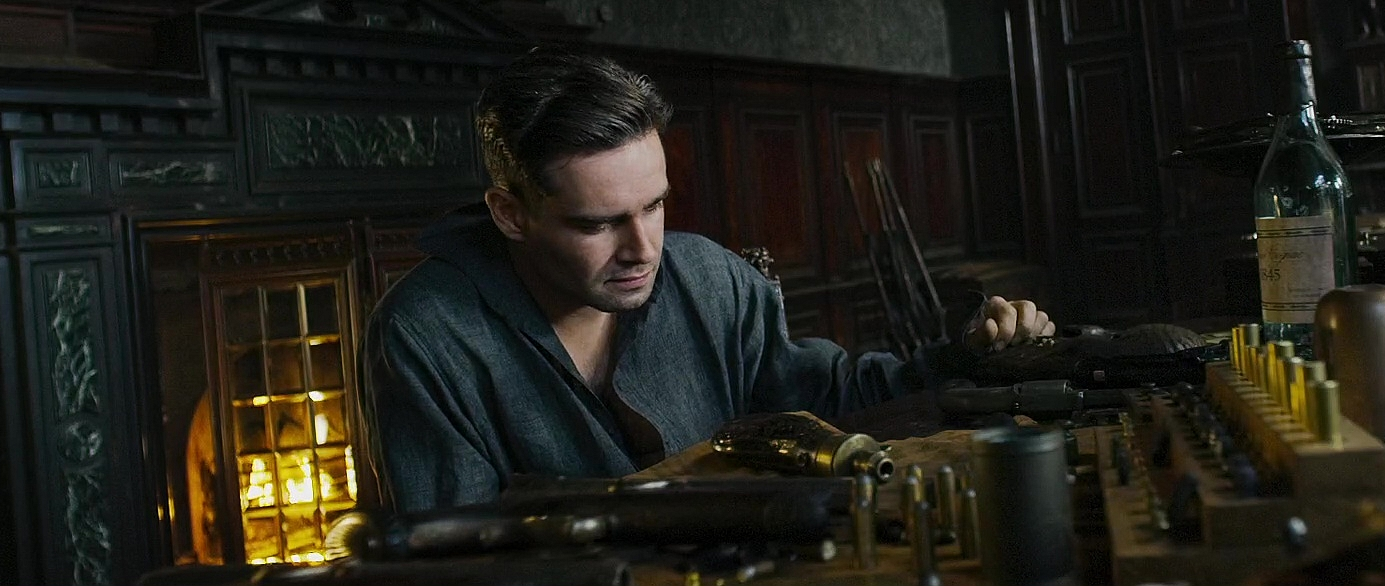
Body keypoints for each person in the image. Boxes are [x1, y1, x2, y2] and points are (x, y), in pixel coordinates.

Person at [361, 48, 1054, 512]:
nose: (644, 250)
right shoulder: (427, 335)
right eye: (599, 223)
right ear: (511, 214)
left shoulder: (710, 277)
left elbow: (829, 398)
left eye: (655, 206)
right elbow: (452, 548)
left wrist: (968, 357)